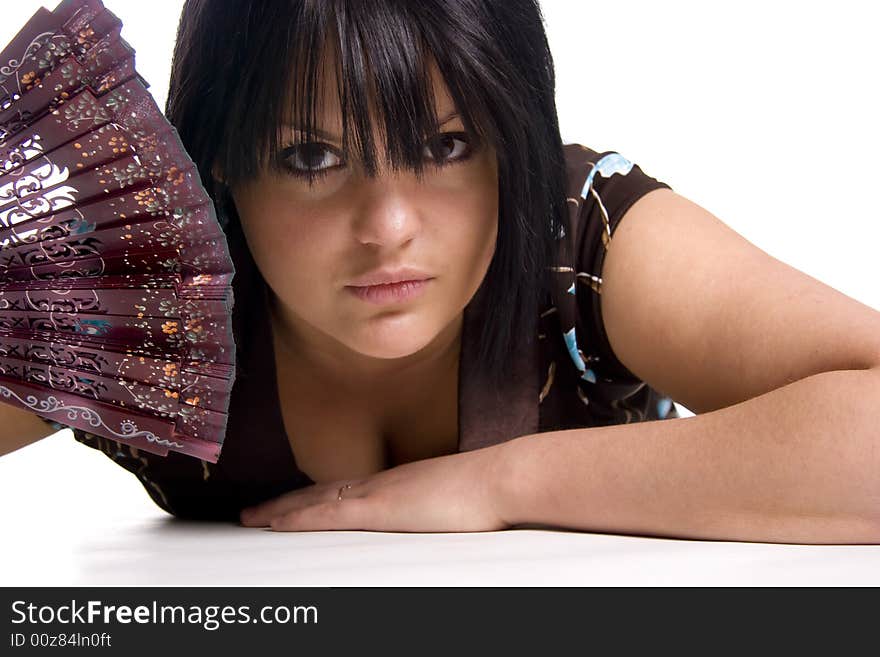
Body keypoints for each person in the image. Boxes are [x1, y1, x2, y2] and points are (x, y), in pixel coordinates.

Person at [11, 0, 880, 544]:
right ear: (220, 166)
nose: (388, 227)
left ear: (515, 136)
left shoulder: (582, 237)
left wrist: (503, 483)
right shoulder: (148, 306)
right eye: (311, 157)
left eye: (448, 144)